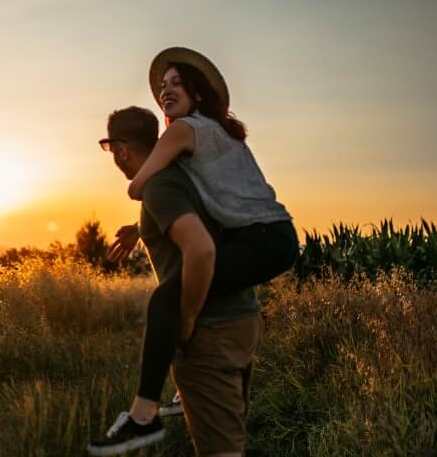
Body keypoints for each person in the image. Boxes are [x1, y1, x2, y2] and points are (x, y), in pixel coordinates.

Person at [103, 46, 298, 432]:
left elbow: (143, 183)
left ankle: (143, 415)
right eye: (162, 85)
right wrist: (138, 227)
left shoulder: (181, 131)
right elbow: (190, 198)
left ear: (197, 93)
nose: (166, 90)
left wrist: (187, 318)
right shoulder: (217, 133)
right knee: (195, 283)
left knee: (168, 300)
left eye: (177, 83)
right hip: (273, 238)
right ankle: (181, 394)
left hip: (262, 240)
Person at [87, 105, 262, 457]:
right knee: (231, 442)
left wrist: (185, 320)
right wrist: (141, 226)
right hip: (243, 317)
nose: (112, 157)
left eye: (110, 147)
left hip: (209, 328)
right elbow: (194, 212)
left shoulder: (159, 186)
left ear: (122, 150)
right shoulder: (185, 172)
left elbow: (200, 248)